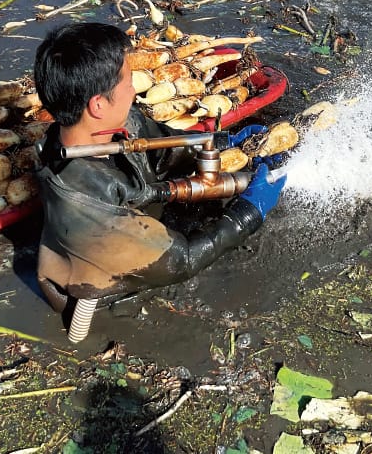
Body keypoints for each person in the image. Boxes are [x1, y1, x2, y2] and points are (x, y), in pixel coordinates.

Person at [33, 22, 286, 315]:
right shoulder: (84, 202)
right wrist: (246, 215)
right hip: (104, 293)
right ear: (98, 105)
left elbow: (165, 146)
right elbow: (182, 261)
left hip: (131, 220)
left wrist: (224, 142)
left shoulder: (109, 126)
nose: (133, 90)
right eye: (128, 82)